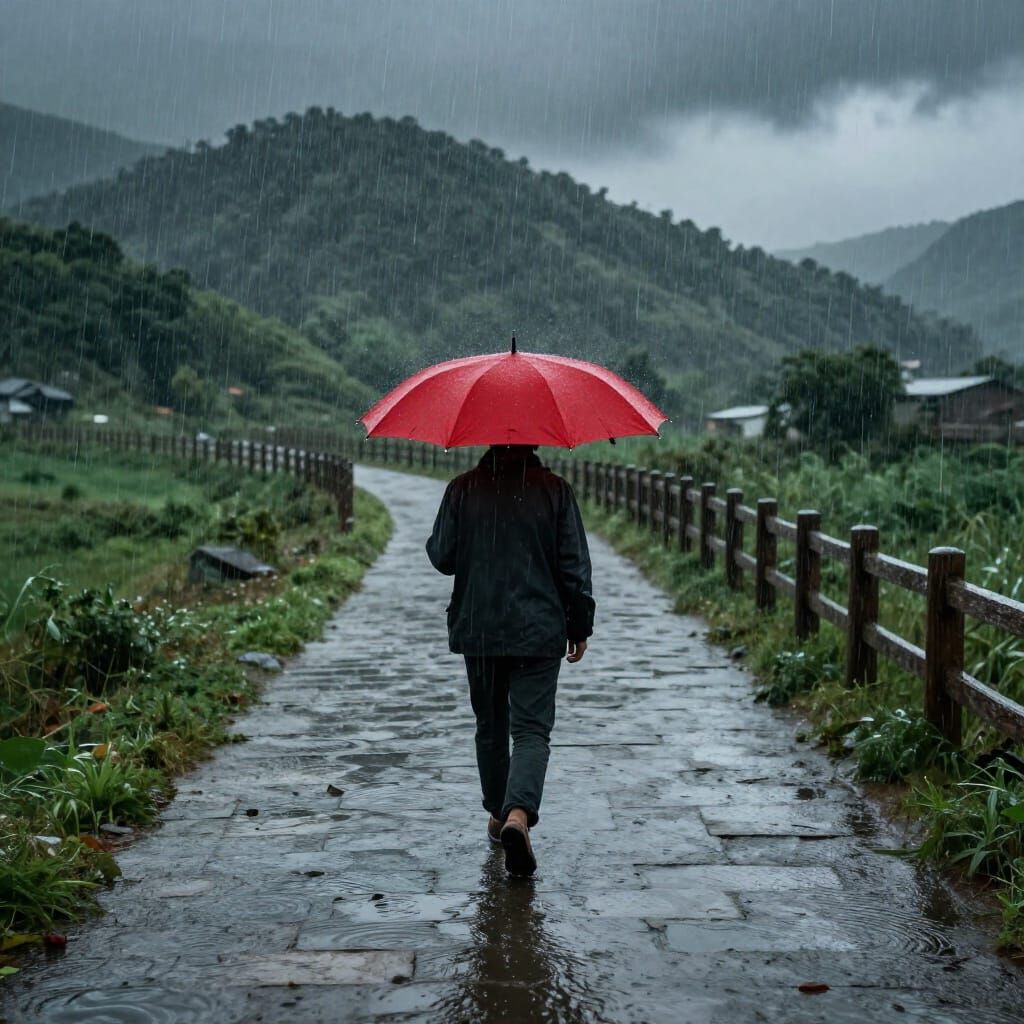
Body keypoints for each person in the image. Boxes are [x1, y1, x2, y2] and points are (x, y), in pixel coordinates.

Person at [426, 444, 595, 876]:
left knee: (490, 726)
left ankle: (500, 815)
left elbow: (442, 557)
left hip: (479, 629)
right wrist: (579, 625)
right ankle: (518, 814)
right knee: (532, 730)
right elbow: (574, 565)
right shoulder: (555, 491)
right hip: (539, 629)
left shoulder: (463, 489)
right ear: (535, 442)